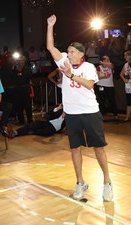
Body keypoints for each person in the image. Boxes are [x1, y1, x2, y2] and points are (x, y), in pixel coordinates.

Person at [46, 14, 113, 202]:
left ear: (81, 54)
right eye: (67, 51)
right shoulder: (64, 63)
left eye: (72, 52)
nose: (68, 54)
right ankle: (80, 183)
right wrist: (50, 26)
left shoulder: (89, 67)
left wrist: (71, 75)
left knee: (98, 148)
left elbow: (90, 85)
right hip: (73, 114)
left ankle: (107, 183)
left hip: (90, 112)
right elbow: (50, 47)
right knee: (75, 149)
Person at [119, 51, 131, 122]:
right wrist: (124, 79)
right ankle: (127, 117)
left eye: (126, 55)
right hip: (128, 85)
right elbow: (121, 74)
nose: (125, 57)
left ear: (130, 56)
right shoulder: (126, 64)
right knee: (129, 101)